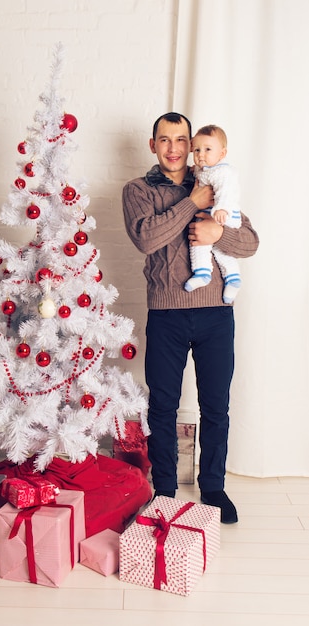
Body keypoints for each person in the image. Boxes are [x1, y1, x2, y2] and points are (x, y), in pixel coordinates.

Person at [122, 112, 259, 524]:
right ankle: (163, 490)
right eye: (165, 140)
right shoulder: (138, 190)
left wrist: (219, 234)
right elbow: (147, 238)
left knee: (215, 405)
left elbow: (249, 242)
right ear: (153, 145)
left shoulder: (215, 180)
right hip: (167, 313)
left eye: (181, 139)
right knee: (162, 406)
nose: (175, 149)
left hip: (217, 312)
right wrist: (192, 205)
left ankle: (213, 487)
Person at [185, 125, 242, 304]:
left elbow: (226, 192)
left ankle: (219, 277)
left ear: (222, 154)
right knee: (205, 245)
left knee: (213, 247)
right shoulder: (205, 170)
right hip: (211, 217)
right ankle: (216, 275)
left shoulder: (223, 172)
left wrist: (221, 209)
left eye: (207, 149)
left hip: (223, 217)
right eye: (197, 150)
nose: (201, 154)